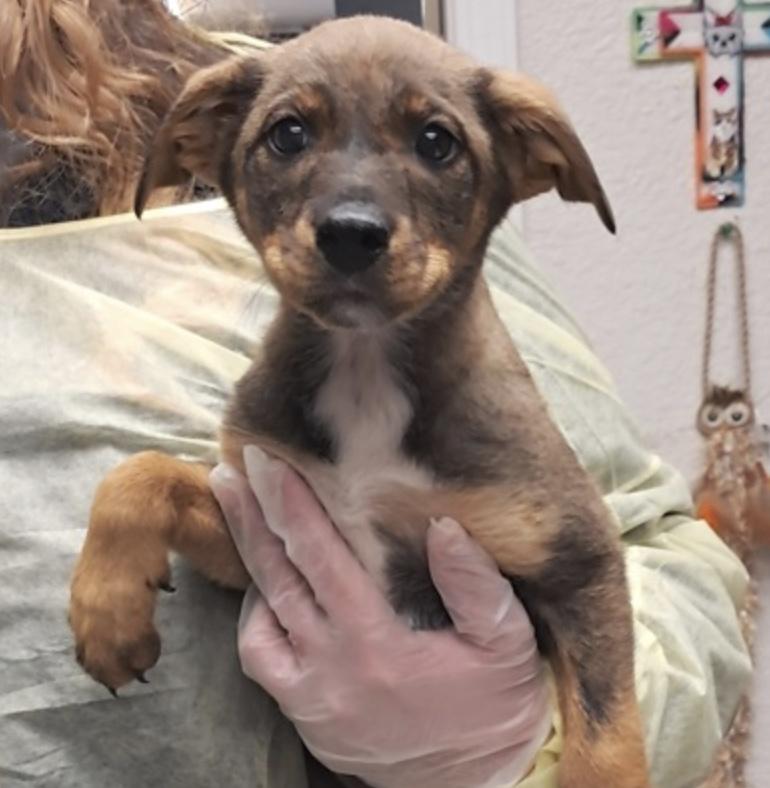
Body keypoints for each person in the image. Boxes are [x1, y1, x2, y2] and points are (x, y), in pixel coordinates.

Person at [208, 225, 753, 788]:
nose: (351, 212)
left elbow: (639, 561)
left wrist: (518, 746)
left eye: (433, 143)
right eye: (291, 134)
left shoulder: (449, 261)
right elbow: (229, 535)